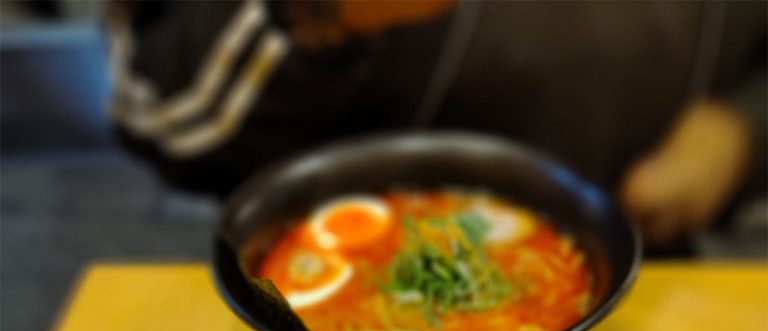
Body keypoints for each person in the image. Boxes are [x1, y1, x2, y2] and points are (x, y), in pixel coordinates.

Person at [107, 0, 767, 251]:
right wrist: (316, 14)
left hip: (642, 288)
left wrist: (743, 129)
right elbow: (159, 106)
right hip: (320, 293)